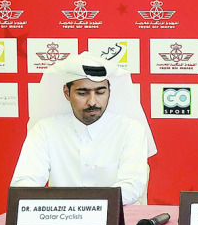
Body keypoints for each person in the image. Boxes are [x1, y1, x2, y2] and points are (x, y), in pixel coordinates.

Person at [10, 52, 154, 205]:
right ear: (67, 93)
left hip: (117, 217)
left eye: (100, 92)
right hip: (61, 216)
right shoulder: (45, 130)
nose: (92, 102)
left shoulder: (131, 130)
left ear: (109, 92)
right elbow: (24, 182)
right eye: (82, 93)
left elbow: (131, 187)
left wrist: (82, 207)